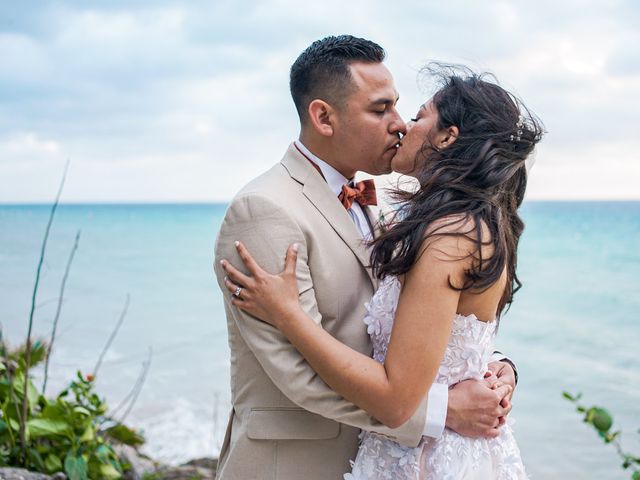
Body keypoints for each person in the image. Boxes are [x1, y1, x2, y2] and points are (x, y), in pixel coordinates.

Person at [213, 36, 518, 480]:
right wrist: (442, 410)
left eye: (401, 109)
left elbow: (415, 326)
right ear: (323, 117)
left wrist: (493, 369)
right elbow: (298, 375)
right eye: (381, 110)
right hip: (297, 465)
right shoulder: (263, 211)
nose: (398, 124)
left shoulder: (386, 210)